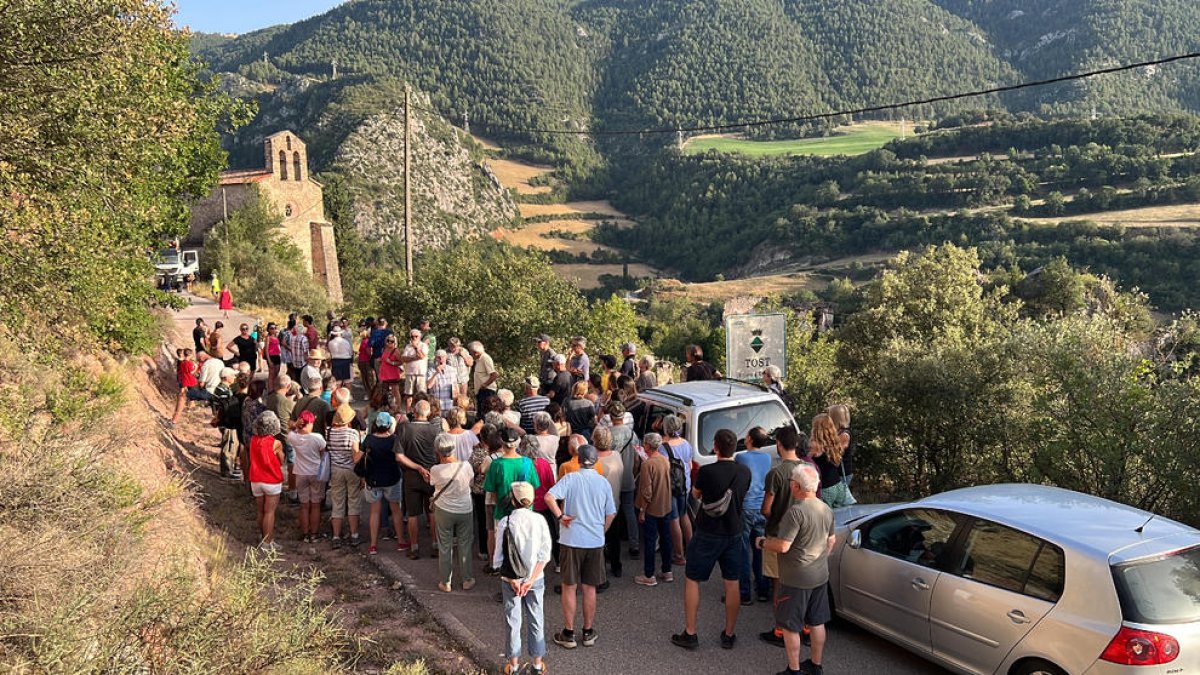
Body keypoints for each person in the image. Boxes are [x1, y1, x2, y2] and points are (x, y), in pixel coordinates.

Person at [672, 428, 751, 651]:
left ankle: (690, 632)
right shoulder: (744, 472)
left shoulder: (707, 471)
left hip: (708, 531)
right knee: (732, 582)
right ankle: (729, 633)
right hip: (734, 531)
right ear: (735, 447)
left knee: (693, 579)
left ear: (715, 447)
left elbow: (696, 495)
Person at [756, 464, 836, 675]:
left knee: (791, 624)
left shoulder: (796, 512)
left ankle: (794, 669)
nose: (790, 483)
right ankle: (816, 665)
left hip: (795, 577)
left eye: (792, 481)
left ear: (797, 486)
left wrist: (763, 543)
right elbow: (831, 540)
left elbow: (783, 545)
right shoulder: (825, 508)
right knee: (817, 621)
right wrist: (820, 558)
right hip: (819, 575)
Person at [544, 442, 615, 650]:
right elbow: (611, 513)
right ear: (596, 461)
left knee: (569, 586)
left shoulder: (570, 478)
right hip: (594, 541)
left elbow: (549, 497)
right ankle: (588, 631)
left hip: (571, 540)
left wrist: (560, 516)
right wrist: (601, 532)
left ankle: (568, 632)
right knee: (590, 587)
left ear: (578, 458)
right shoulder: (603, 483)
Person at [760, 425, 812, 647]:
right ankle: (806, 627)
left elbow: (766, 509)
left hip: (777, 535)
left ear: (779, 444)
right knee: (801, 584)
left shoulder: (777, 473)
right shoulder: (809, 470)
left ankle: (781, 629)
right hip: (804, 535)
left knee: (779, 585)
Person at [495, 482, 552, 675]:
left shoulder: (505, 522)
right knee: (536, 618)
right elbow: (545, 555)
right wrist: (530, 579)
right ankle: (537, 664)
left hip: (511, 580)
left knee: (513, 621)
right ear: (532, 500)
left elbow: (498, 558)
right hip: (535, 579)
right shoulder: (540, 520)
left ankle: (513, 666)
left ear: (513, 500)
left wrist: (514, 580)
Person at [359, 411, 409, 555]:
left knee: (375, 512)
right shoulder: (394, 439)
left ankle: (373, 545)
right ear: (389, 425)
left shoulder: (369, 439)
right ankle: (400, 541)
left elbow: (359, 457)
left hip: (373, 479)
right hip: (392, 478)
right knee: (396, 511)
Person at [430, 432, 475, 591]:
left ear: (437, 451)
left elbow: (433, 484)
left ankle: (445, 581)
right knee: (465, 543)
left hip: (444, 509)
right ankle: (467, 579)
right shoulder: (466, 466)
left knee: (445, 545)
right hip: (465, 508)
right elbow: (471, 482)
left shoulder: (435, 469)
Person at [737, 426, 774, 604]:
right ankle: (763, 589)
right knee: (759, 547)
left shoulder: (741, 457)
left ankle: (744, 592)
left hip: (746, 506)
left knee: (743, 550)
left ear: (750, 439)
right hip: (761, 506)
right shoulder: (767, 457)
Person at [634, 432, 676, 586]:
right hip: (666, 505)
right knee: (666, 538)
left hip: (652, 508)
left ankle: (649, 574)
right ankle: (667, 571)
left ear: (647, 445)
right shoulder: (665, 460)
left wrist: (642, 510)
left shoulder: (647, 464)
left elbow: (646, 491)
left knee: (650, 541)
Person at [287, 410, 327, 543]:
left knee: (304, 505)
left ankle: (304, 533)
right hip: (316, 472)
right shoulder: (317, 438)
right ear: (310, 423)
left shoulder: (293, 437)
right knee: (315, 505)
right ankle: (314, 534)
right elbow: (323, 453)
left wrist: (295, 425)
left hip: (300, 473)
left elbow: (289, 429)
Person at [247, 411, 285, 549]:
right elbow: (281, 460)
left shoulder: (253, 440)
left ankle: (263, 537)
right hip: (271, 480)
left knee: (261, 511)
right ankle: (268, 543)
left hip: (256, 479)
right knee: (270, 512)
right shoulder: (276, 443)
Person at [327, 404, 362, 549]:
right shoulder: (353, 433)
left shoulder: (328, 431)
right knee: (353, 501)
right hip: (351, 470)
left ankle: (336, 536)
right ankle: (354, 535)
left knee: (337, 502)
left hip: (335, 470)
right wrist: (363, 452)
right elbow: (355, 455)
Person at [591, 426, 623, 583]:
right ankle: (617, 566)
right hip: (615, 503)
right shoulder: (617, 455)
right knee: (614, 537)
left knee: (599, 539)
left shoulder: (595, 462)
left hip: (598, 507)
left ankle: (601, 569)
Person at [662, 414, 694, 564]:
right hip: (685, 485)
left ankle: (679, 555)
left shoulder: (663, 447)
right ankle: (692, 550)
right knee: (684, 515)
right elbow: (690, 465)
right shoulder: (686, 444)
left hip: (671, 487)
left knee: (673, 520)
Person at [811, 413, 851, 508]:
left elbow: (806, 460)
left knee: (826, 517)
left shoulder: (815, 445)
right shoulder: (835, 442)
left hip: (825, 487)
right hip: (838, 485)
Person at [211, 367, 243, 480]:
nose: (234, 377)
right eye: (232, 375)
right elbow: (224, 409)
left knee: (230, 444)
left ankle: (229, 469)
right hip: (227, 423)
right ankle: (227, 472)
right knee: (229, 445)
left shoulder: (223, 388)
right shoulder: (223, 391)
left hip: (225, 422)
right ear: (226, 377)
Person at [402, 328, 429, 413]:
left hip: (421, 374)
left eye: (416, 336)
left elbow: (422, 356)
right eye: (412, 336)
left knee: (422, 395)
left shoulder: (423, 345)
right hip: (410, 373)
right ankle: (408, 412)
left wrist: (416, 347)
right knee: (408, 394)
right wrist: (414, 358)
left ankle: (422, 412)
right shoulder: (407, 346)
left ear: (420, 337)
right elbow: (404, 358)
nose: (414, 338)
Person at [827, 404, 854, 487]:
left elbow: (837, 452)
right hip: (838, 472)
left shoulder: (844, 434)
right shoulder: (838, 432)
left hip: (842, 473)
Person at [469, 341, 499, 413]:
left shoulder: (485, 358)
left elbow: (494, 375)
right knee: (480, 413)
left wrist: (484, 385)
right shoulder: (478, 360)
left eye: (471, 352)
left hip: (487, 392)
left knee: (485, 414)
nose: (470, 354)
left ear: (476, 352)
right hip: (481, 392)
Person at [171, 348, 198, 424]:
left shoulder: (181, 362)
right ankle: (190, 406)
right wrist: (195, 368)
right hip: (190, 381)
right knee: (187, 394)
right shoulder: (189, 363)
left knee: (183, 394)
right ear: (189, 354)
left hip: (184, 380)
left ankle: (176, 417)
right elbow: (191, 372)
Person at [379, 333, 403, 412]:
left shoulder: (396, 351)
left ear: (395, 342)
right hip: (384, 374)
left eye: (391, 341)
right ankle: (387, 407)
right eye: (388, 340)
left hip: (392, 374)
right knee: (384, 391)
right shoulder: (384, 349)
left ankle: (398, 408)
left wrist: (391, 363)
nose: (389, 342)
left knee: (395, 391)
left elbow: (401, 362)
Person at [357, 329, 376, 395]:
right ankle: (370, 392)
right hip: (366, 361)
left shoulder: (364, 341)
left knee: (366, 377)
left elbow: (367, 352)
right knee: (369, 377)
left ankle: (369, 392)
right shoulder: (367, 341)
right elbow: (368, 352)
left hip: (363, 361)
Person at [263, 323, 282, 388]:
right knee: (271, 375)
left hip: (277, 356)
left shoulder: (276, 337)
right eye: (271, 328)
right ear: (268, 329)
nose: (273, 329)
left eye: (274, 328)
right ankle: (270, 390)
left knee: (276, 373)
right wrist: (269, 361)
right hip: (271, 356)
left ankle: (273, 387)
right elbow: (266, 349)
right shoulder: (268, 338)